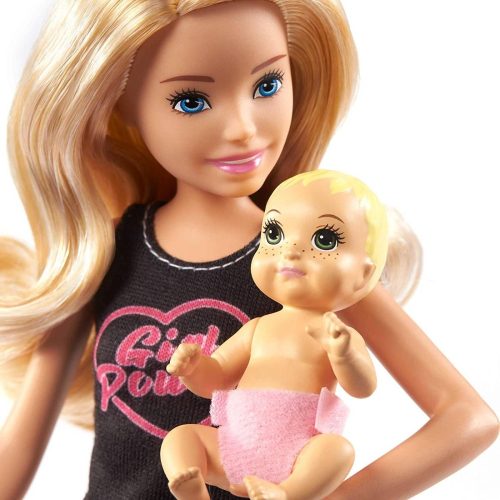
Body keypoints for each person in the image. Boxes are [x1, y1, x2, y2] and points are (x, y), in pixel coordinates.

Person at [0, 0, 497, 499]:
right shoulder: (107, 250)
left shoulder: (302, 264)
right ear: (120, 102)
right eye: (191, 100)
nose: (242, 127)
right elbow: (19, 443)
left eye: (267, 85)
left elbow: (467, 419)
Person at [162, 170, 386, 500]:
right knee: (181, 438)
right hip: (233, 445)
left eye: (324, 240)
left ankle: (286, 493)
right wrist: (194, 369)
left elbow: (363, 387)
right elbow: (217, 377)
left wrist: (345, 355)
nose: (290, 251)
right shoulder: (257, 328)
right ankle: (192, 489)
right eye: (275, 233)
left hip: (299, 454)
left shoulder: (338, 335)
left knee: (338, 450)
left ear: (363, 274)